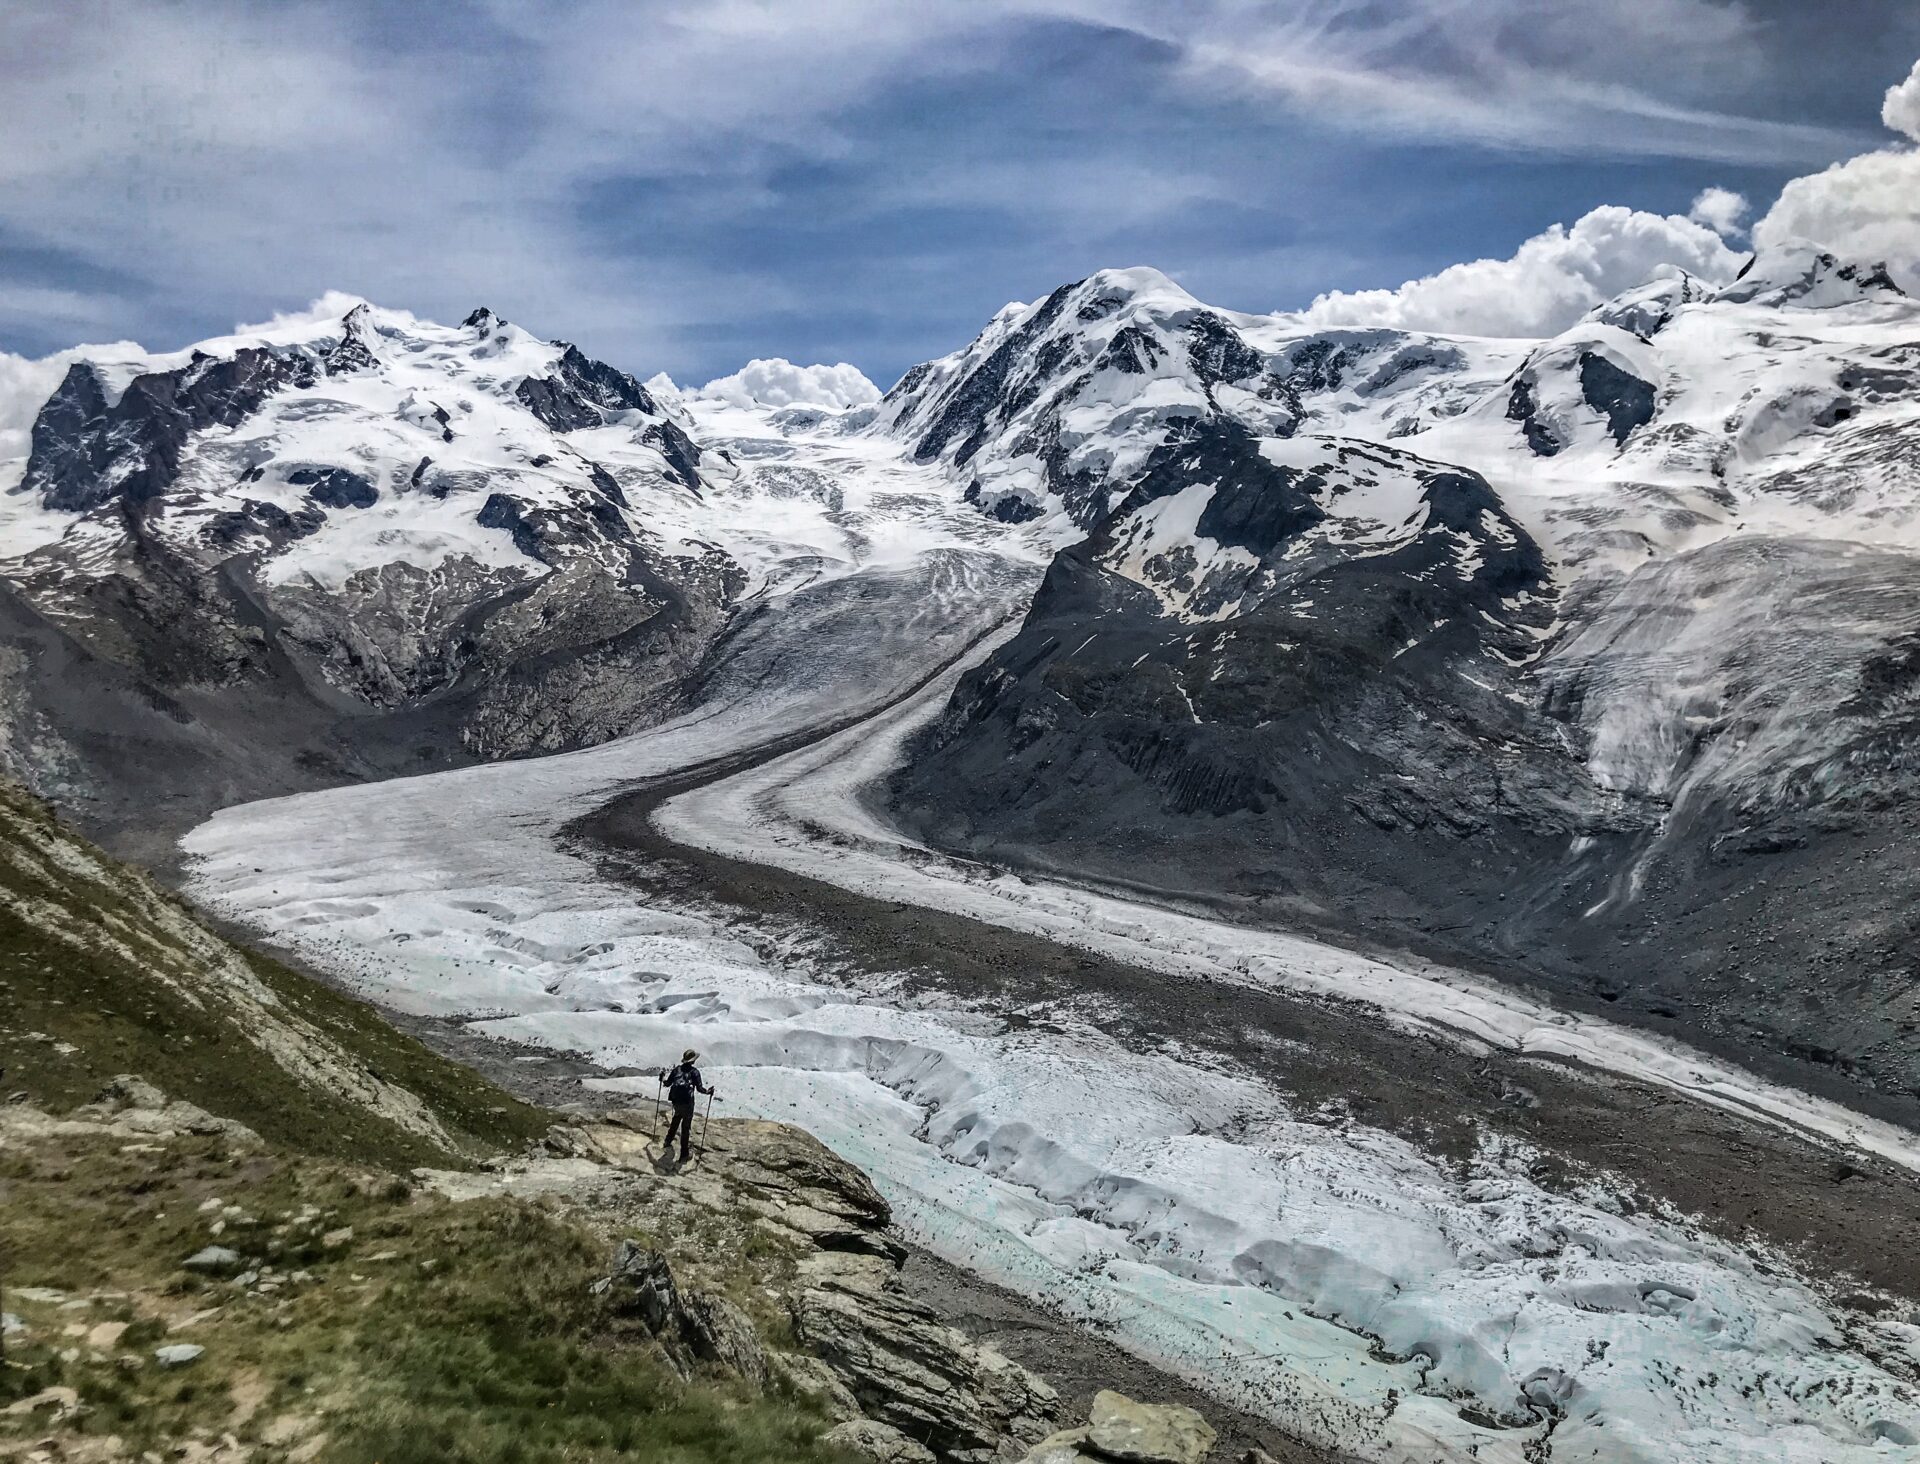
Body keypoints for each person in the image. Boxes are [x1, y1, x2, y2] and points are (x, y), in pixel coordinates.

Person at [660, 1048, 717, 1161]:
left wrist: (662, 1079)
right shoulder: (694, 1072)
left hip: (677, 1102)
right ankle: (684, 1154)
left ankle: (667, 1141)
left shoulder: (677, 1070)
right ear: (693, 1061)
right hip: (688, 1103)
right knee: (685, 1128)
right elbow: (700, 1089)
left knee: (676, 1119)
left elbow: (667, 1083)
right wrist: (708, 1091)